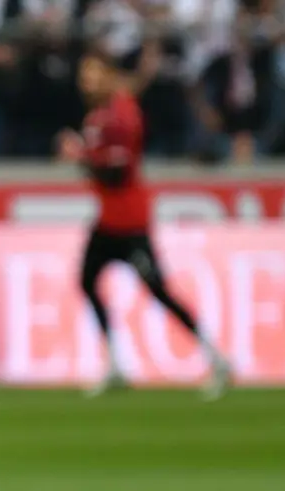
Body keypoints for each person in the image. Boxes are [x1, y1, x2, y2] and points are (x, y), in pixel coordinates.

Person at [58, 50, 231, 400]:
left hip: (132, 223)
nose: (86, 83)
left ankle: (216, 357)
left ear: (109, 75)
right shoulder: (98, 117)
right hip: (107, 222)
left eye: (93, 75)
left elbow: (117, 173)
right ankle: (116, 365)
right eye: (83, 76)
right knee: (87, 281)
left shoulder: (123, 114)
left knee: (158, 291)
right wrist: (86, 156)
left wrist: (80, 155)